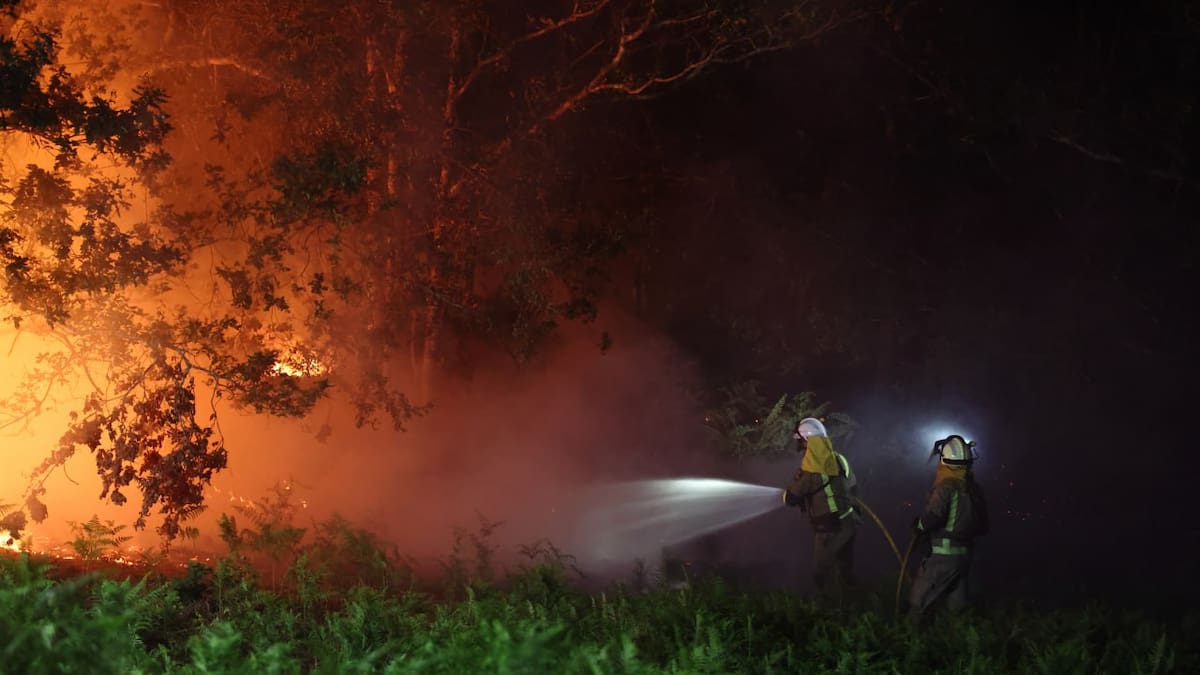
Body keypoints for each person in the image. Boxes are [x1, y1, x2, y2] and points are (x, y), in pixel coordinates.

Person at [907, 434, 989, 624]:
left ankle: (910, 638)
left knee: (919, 603)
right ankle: (958, 639)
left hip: (943, 557)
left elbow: (932, 517)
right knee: (957, 609)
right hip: (964, 557)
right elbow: (984, 526)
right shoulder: (973, 489)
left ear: (944, 461)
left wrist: (918, 525)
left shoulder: (946, 486)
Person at [781, 417, 858, 596]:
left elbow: (790, 499)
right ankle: (852, 601)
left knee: (822, 573)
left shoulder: (809, 471)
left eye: (802, 442)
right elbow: (852, 485)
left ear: (808, 441)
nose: (802, 447)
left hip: (827, 529)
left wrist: (793, 484)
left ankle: (826, 605)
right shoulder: (839, 459)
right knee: (845, 569)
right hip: (848, 524)